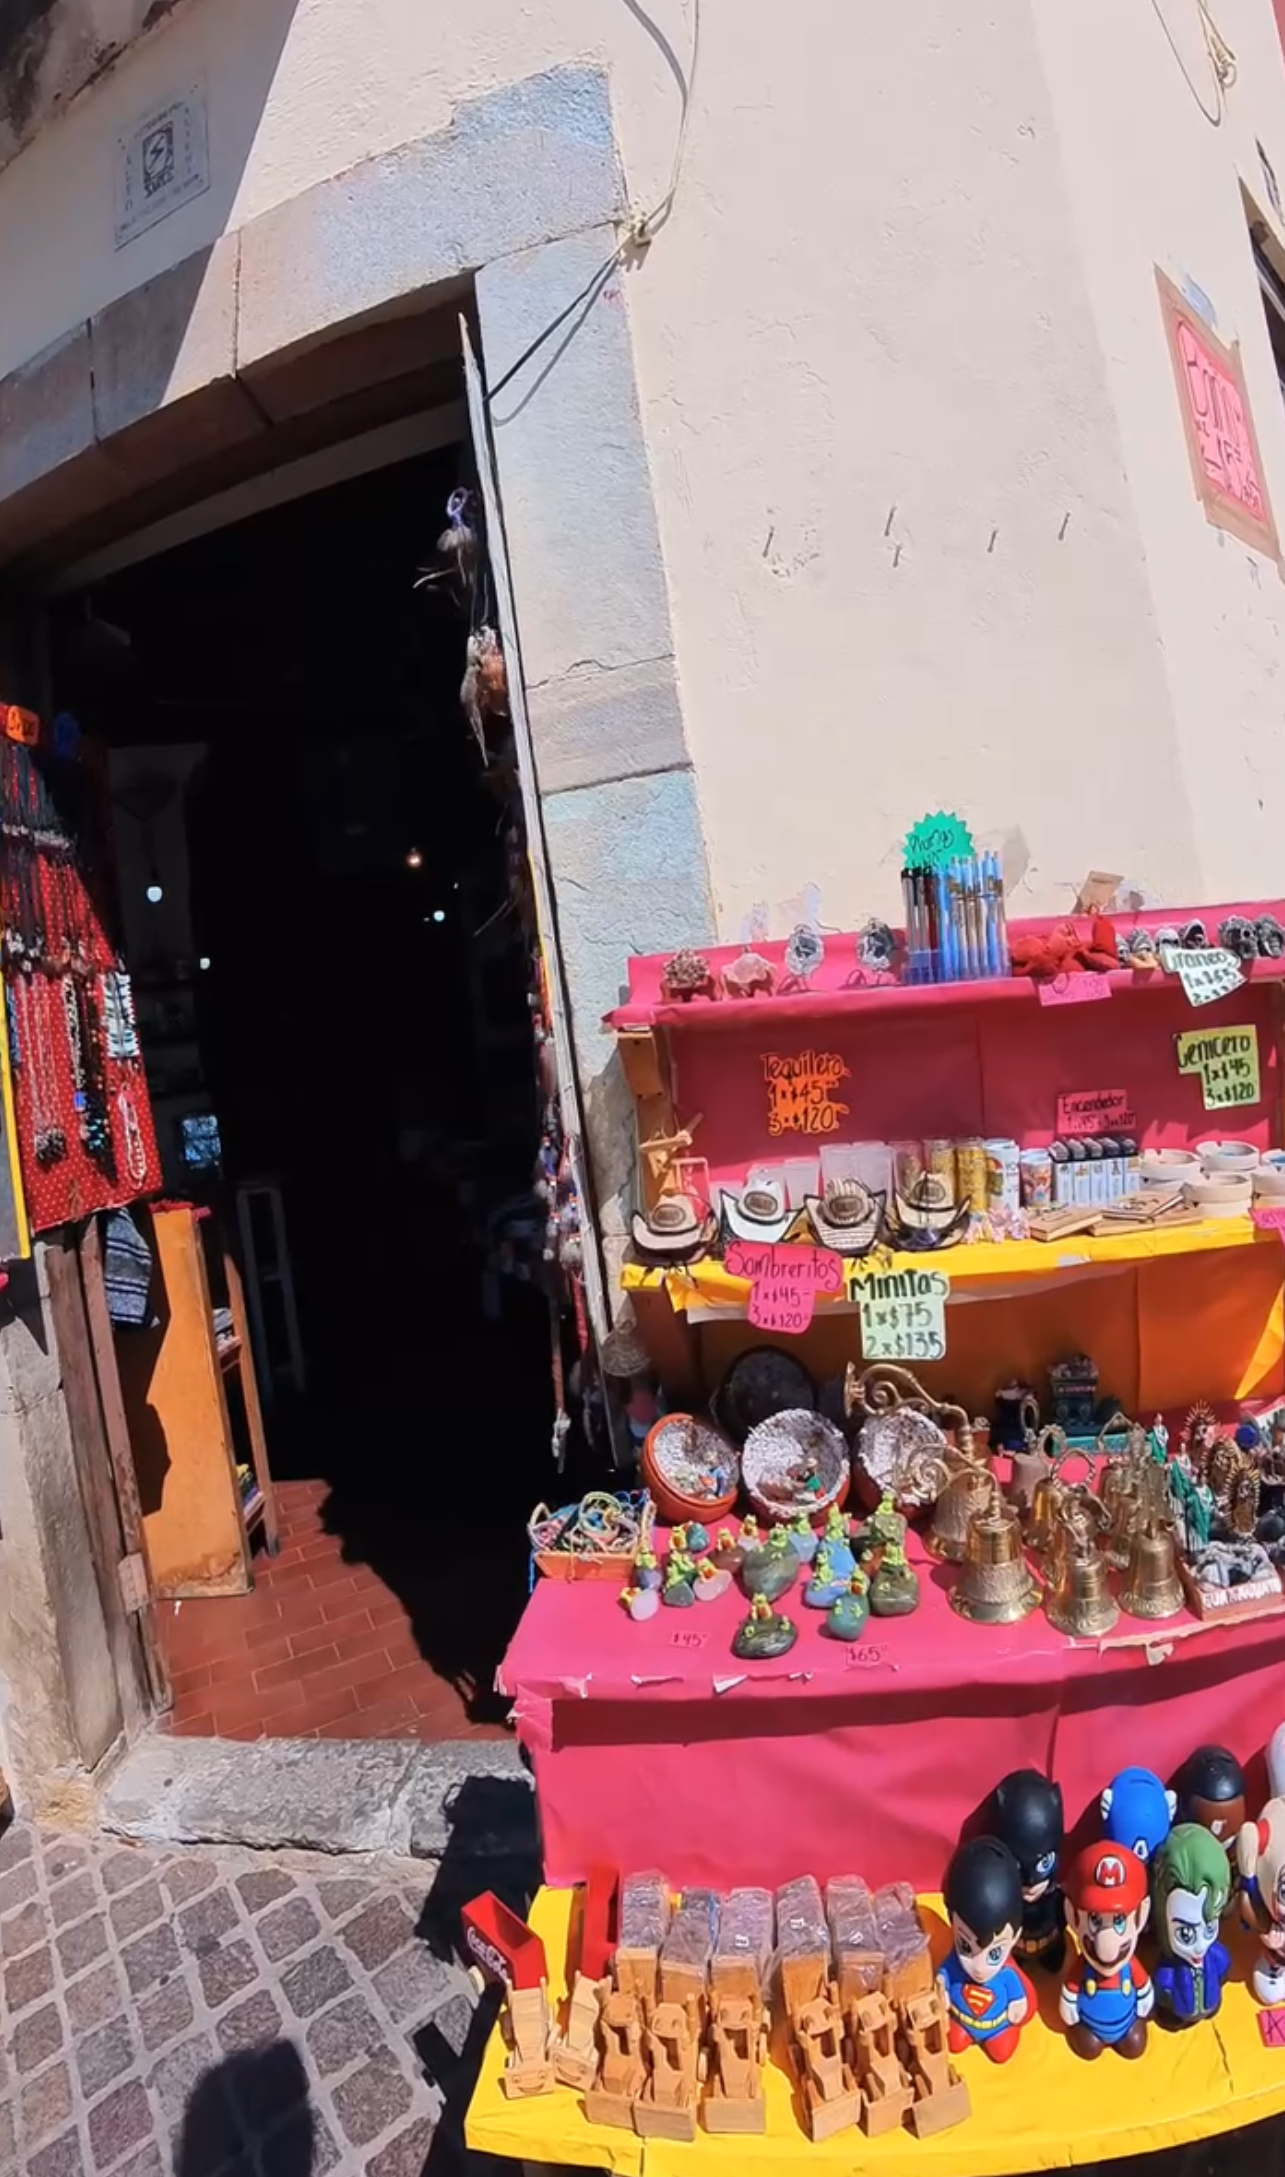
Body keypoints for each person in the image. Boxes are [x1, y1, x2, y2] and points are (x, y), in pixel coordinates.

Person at [939, 1837, 1032, 2063]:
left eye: (994, 1953)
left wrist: (1018, 2004)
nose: (979, 1967)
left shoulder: (1007, 1975)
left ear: (1015, 1937)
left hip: (996, 2026)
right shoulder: (953, 1963)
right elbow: (943, 1975)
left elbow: (1021, 1997)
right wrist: (941, 1986)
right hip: (962, 2020)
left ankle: (999, 2035)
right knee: (953, 2042)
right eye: (966, 1946)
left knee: (1001, 2052)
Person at [1060, 1844, 1153, 2059]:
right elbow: (1072, 1985)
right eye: (1094, 1920)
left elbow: (1142, 1984)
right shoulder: (1083, 1966)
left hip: (1126, 2023)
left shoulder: (1131, 1965)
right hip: (1091, 2024)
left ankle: (1125, 2032)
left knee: (1135, 2046)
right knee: (1088, 2048)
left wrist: (1145, 1996)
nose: (1107, 1945)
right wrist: (1069, 2001)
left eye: (1119, 1921)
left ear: (1141, 1915)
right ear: (1073, 1916)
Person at [1152, 1823, 1233, 2027]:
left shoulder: (1214, 1955)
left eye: (1209, 1928)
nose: (1199, 1947)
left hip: (1210, 2003)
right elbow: (1163, 1985)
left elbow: (1224, 1967)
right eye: (1186, 1934)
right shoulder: (1169, 1968)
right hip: (1179, 2011)